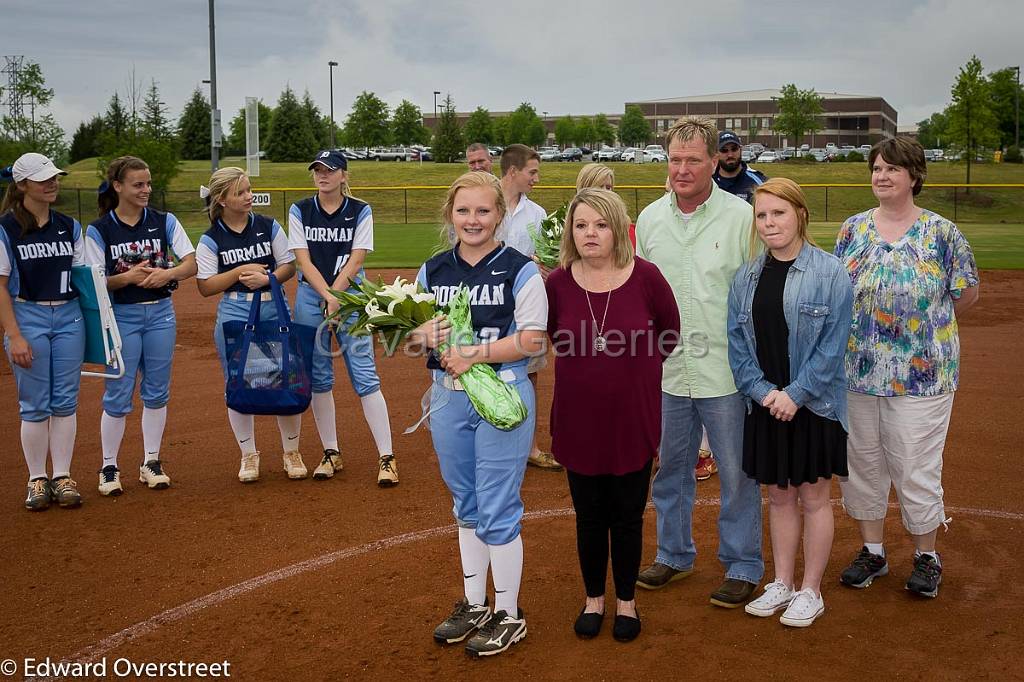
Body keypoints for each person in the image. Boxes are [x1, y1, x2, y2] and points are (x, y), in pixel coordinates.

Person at [834, 137, 979, 599]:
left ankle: (926, 557)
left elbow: (966, 293)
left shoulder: (942, 232)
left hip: (923, 376)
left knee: (915, 466)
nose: (882, 176)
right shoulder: (853, 229)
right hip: (858, 372)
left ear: (914, 175)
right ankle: (873, 552)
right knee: (862, 466)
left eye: (892, 169)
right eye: (876, 168)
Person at [409, 171, 546, 657]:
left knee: (497, 505)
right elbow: (409, 338)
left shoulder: (519, 268)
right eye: (463, 210)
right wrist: (418, 334)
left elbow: (533, 339)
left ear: (500, 215)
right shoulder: (432, 271)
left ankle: (509, 613)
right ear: (451, 214)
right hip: (448, 396)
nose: (473, 220)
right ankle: (474, 603)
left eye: (483, 211)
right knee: (465, 503)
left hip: (503, 394)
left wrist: (475, 355)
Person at [634, 116, 764, 607]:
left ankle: (743, 562)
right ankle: (673, 553)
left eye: (693, 160)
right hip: (666, 371)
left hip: (727, 371)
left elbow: (755, 293)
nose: (682, 169)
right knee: (670, 470)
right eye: (674, 159)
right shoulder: (649, 220)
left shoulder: (740, 217)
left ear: (714, 161)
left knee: (736, 472)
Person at [547, 188, 679, 642]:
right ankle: (593, 599)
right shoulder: (557, 284)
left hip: (632, 419)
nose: (590, 233)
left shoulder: (646, 277)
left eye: (601, 224)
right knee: (589, 516)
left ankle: (626, 600)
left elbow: (670, 332)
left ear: (619, 229)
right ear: (570, 231)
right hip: (579, 420)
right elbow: (546, 336)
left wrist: (636, 372)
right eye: (581, 225)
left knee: (626, 515)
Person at [727, 178, 852, 627]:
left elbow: (832, 350)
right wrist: (764, 393)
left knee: (815, 498)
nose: (768, 223)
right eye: (761, 215)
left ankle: (811, 589)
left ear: (800, 214)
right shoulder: (746, 277)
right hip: (766, 403)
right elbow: (738, 346)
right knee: (778, 497)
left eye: (778, 213)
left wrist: (795, 395)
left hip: (812, 405)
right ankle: (781, 582)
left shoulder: (830, 271)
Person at [85, 156, 197, 496]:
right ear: (118, 187)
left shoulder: (164, 221)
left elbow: (191, 263)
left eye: (148, 184)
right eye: (138, 184)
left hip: (161, 314)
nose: (146, 190)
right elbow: (94, 281)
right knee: (118, 394)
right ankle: (109, 466)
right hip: (122, 316)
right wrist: (128, 277)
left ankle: (151, 461)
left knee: (157, 391)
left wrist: (168, 273)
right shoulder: (100, 229)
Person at [288, 150, 398, 487]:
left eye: (330, 170)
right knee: (319, 377)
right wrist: (326, 295)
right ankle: (331, 451)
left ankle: (387, 457)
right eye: (318, 170)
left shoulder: (360, 210)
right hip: (311, 295)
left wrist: (335, 297)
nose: (323, 176)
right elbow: (303, 262)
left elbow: (357, 259)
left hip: (351, 296)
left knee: (364, 374)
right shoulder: (300, 209)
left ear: (344, 175)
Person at [194, 167, 300, 483]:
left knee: (286, 377)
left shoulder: (268, 226)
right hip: (235, 311)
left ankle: (291, 452)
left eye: (249, 189)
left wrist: (267, 277)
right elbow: (206, 286)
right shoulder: (212, 238)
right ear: (222, 199)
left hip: (273, 308)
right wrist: (241, 270)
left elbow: (289, 266)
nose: (249, 196)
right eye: (240, 192)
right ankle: (248, 455)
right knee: (240, 383)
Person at [0, 153, 86, 510]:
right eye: (43, 178)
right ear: (22, 186)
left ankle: (62, 475)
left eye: (54, 177)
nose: (53, 183)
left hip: (69, 316)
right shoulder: (6, 228)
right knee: (35, 404)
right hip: (28, 315)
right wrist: (14, 335)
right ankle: (37, 478)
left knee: (65, 401)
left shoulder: (69, 225)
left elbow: (85, 280)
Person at [498, 144, 559, 470]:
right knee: (487, 370)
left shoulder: (537, 215)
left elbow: (546, 259)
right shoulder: (484, 204)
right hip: (489, 306)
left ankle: (531, 447)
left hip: (525, 307)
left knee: (529, 374)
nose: (536, 178)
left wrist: (545, 266)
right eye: (532, 172)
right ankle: (495, 443)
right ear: (513, 171)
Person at [713, 130, 766, 204]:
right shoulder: (707, 182)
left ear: (741, 150)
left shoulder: (759, 182)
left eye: (734, 149)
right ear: (716, 153)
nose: (730, 155)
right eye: (724, 150)